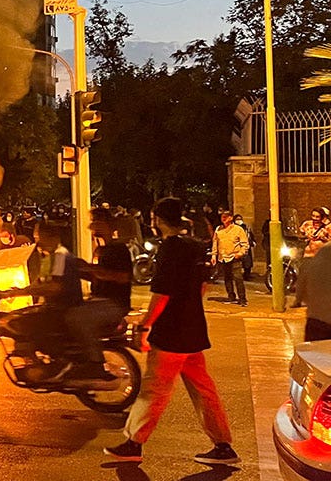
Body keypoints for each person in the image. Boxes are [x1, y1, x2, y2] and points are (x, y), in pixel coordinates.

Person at [105, 197, 237, 466]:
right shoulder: (195, 246)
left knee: (154, 389)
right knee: (203, 390)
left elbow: (162, 294)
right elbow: (202, 287)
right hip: (193, 330)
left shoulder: (169, 249)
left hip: (170, 334)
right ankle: (223, 445)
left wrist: (145, 324)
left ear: (158, 220)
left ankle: (133, 443)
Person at [0, 221, 86, 379]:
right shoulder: (48, 257)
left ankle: (53, 365)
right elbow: (39, 283)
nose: (37, 242)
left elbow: (54, 287)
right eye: (36, 237)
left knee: (30, 325)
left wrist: (23, 292)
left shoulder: (59, 256)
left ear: (52, 237)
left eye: (40, 237)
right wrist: (15, 292)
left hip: (63, 308)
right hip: (52, 306)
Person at [71, 212, 133, 380]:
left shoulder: (119, 249)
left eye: (98, 222)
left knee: (77, 318)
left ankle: (96, 364)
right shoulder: (100, 250)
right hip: (97, 302)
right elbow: (96, 276)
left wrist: (91, 269)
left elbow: (122, 277)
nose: (94, 226)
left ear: (109, 226)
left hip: (113, 304)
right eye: (93, 222)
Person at [211, 209, 249, 306]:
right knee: (227, 278)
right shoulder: (218, 229)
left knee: (238, 278)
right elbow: (215, 242)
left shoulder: (238, 229)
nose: (223, 219)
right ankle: (231, 296)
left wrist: (240, 253)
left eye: (225, 217)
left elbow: (245, 244)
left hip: (234, 257)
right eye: (222, 217)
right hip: (223, 257)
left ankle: (242, 298)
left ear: (230, 218)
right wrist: (214, 255)